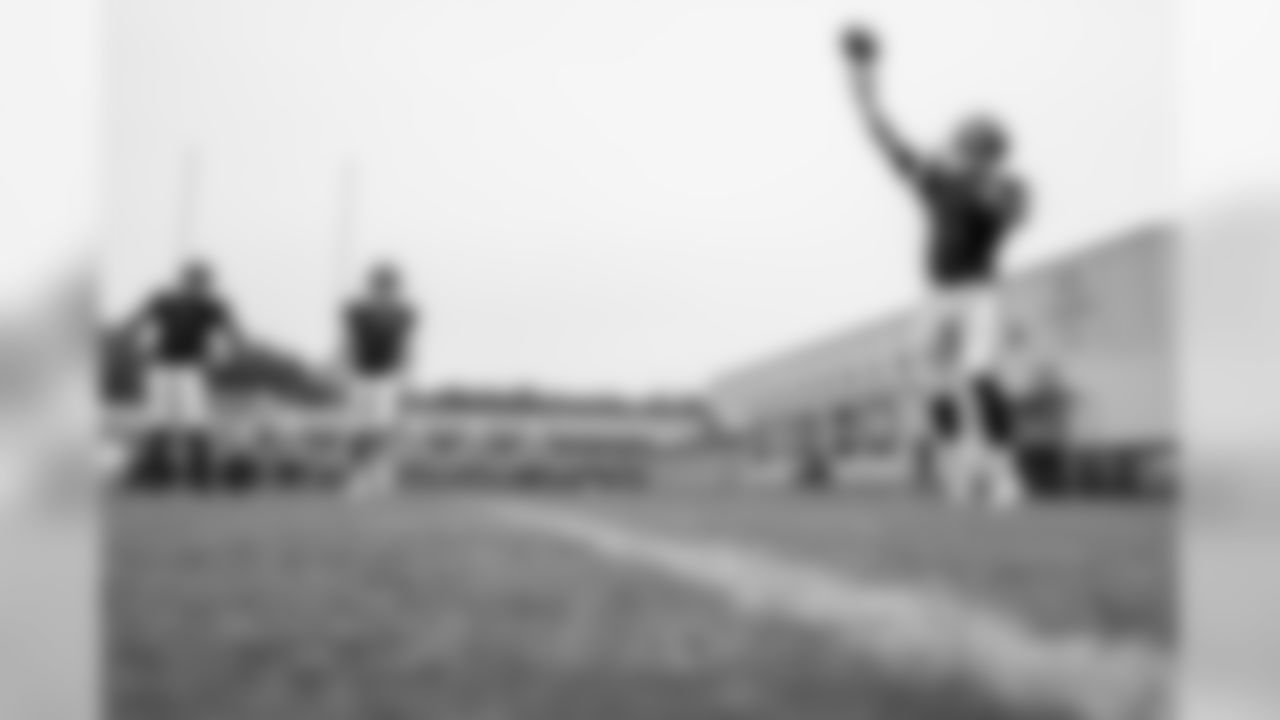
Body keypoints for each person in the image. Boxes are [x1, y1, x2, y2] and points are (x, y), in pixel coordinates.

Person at [841, 25, 1029, 507]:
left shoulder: (1004, 187)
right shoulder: (939, 181)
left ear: (992, 154)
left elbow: (1009, 211)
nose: (967, 152)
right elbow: (880, 132)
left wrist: (974, 182)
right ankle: (957, 467)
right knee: (929, 381)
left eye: (979, 148)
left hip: (978, 292)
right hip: (936, 294)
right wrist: (863, 76)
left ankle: (1003, 474)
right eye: (967, 145)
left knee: (978, 374)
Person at [127, 260, 239, 438]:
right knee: (158, 417)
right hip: (161, 364)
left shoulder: (211, 306)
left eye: (201, 281)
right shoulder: (163, 301)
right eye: (193, 279)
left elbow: (230, 331)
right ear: (184, 280)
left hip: (191, 366)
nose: (197, 285)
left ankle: (197, 452)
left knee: (194, 418)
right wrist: (139, 346)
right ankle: (155, 451)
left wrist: (225, 354)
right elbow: (140, 322)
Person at [341, 263, 417, 497]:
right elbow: (350, 342)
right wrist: (341, 368)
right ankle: (359, 475)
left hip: (388, 376)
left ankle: (381, 474)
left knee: (382, 427)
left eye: (388, 284)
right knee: (359, 429)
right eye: (380, 284)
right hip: (360, 374)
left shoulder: (403, 313)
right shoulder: (357, 311)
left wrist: (407, 376)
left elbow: (404, 345)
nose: (384, 289)